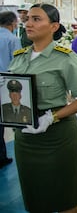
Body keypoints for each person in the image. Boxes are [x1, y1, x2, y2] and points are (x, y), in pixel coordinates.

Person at [7, 3, 77, 213]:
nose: (28, 23)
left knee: (66, 198)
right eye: (28, 18)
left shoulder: (65, 59)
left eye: (36, 19)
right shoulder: (19, 57)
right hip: (26, 137)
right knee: (35, 197)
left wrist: (52, 117)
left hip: (57, 137)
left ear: (54, 26)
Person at [0, 10, 21, 168]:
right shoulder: (12, 39)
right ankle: (1, 155)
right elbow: (17, 64)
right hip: (5, 82)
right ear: (13, 23)